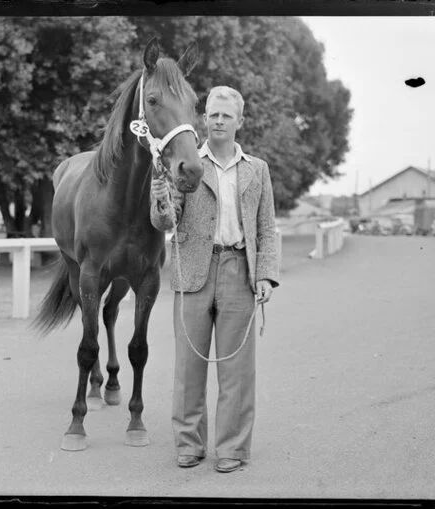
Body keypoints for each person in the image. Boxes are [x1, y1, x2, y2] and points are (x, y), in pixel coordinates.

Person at [150, 85, 280, 473]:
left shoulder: (257, 169)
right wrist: (158, 196)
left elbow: (266, 228)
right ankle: (189, 445)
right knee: (188, 367)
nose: (218, 120)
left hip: (239, 271)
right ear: (204, 119)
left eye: (226, 115)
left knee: (237, 370)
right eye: (213, 114)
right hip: (192, 272)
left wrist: (266, 276)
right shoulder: (188, 164)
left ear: (240, 122)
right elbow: (164, 222)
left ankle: (233, 449)